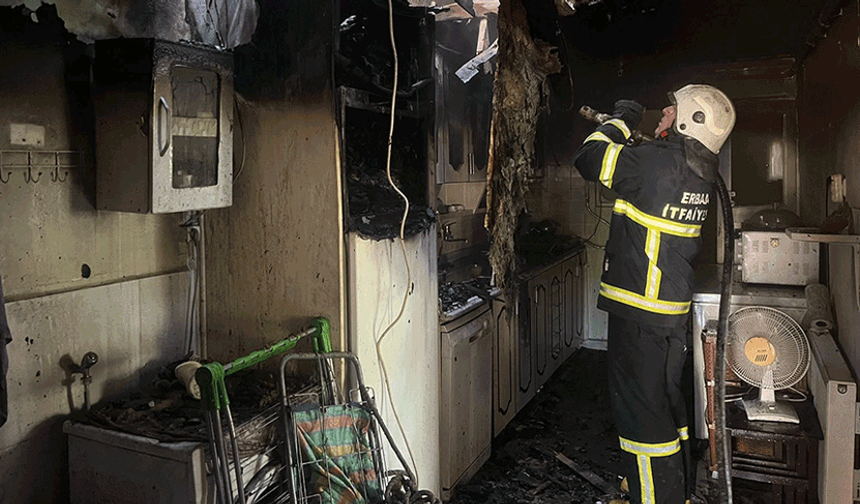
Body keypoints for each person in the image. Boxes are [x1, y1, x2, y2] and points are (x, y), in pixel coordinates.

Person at [572, 84, 736, 504]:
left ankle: (652, 497)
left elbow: (589, 158)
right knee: (665, 405)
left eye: (673, 108)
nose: (664, 111)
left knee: (641, 416)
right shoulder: (696, 169)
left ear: (688, 122)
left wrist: (622, 117)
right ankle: (669, 488)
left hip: (639, 310)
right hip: (668, 311)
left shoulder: (656, 164)